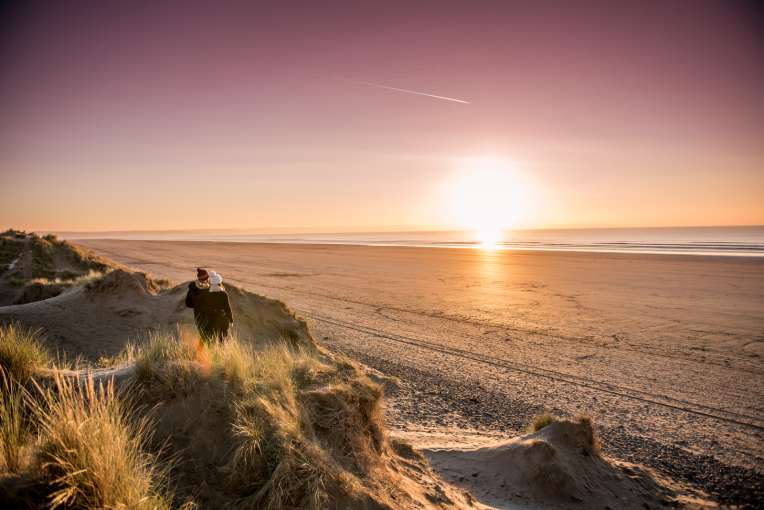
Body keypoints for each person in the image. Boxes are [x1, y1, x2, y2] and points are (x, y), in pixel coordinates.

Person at [190, 270, 234, 342]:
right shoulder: (223, 294)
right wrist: (231, 320)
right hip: (223, 320)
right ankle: (219, 352)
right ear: (219, 283)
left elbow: (201, 306)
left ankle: (202, 352)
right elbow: (227, 308)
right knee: (221, 341)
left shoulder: (206, 294)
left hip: (210, 320)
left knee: (207, 339)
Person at [185, 267, 211, 337]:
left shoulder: (192, 287)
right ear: (206, 278)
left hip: (198, 314)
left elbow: (188, 303)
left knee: (202, 333)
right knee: (209, 335)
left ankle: (201, 347)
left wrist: (196, 305)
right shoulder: (209, 287)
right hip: (209, 315)